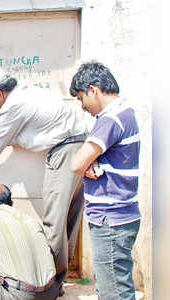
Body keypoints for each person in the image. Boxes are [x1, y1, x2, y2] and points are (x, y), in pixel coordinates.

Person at [0, 67, 86, 285]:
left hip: (65, 152)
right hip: (78, 146)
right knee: (68, 218)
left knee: (54, 223)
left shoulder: (12, 106)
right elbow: (23, 133)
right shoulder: (27, 93)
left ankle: (49, 284)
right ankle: (59, 278)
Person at [70, 61, 141, 300]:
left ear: (93, 89)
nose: (82, 106)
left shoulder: (111, 119)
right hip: (118, 216)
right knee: (116, 288)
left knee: (113, 293)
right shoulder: (126, 113)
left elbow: (76, 164)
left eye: (81, 98)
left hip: (110, 218)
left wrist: (85, 165)